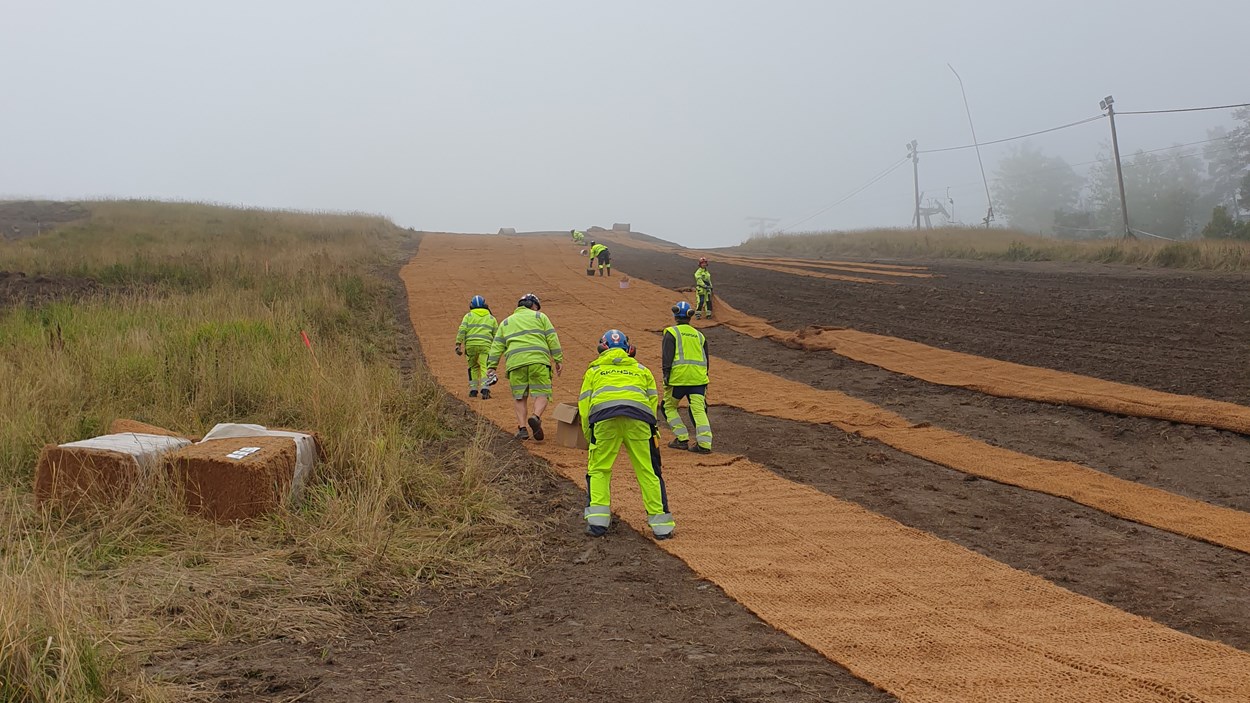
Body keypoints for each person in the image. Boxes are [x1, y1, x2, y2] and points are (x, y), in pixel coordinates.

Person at [578, 329, 674, 540]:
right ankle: (662, 527)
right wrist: (653, 432)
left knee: (599, 469)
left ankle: (597, 524)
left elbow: (584, 408)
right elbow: (652, 404)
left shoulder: (593, 371)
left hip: (604, 420)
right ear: (629, 349)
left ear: (602, 349)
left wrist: (589, 435)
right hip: (639, 420)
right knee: (648, 471)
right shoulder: (642, 370)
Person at [487, 293, 563, 440]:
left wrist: (492, 366)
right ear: (533, 305)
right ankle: (535, 417)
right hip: (538, 361)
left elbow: (496, 346)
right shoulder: (540, 317)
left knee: (519, 397)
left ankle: (522, 428)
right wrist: (558, 359)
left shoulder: (506, 322)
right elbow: (552, 337)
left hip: (515, 363)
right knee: (542, 393)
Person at [661, 301, 712, 453]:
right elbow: (706, 359)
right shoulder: (700, 335)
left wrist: (666, 375)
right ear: (690, 317)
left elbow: (667, 356)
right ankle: (704, 445)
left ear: (675, 315)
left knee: (668, 406)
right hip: (698, 380)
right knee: (698, 410)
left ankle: (682, 438)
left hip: (678, 379)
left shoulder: (671, 332)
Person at [455, 295, 498, 400]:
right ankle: (485, 390)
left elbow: (462, 330)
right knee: (485, 366)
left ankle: (473, 391)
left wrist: (458, 344)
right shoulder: (491, 318)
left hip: (471, 347)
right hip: (485, 346)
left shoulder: (468, 316)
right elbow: (497, 334)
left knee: (473, 367)